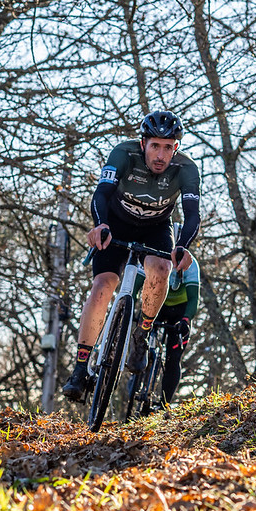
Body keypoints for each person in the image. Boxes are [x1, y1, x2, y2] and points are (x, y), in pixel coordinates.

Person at [62, 111, 201, 402]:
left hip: (156, 227)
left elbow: (192, 215)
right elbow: (101, 193)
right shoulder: (123, 153)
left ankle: (142, 333)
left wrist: (183, 246)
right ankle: (80, 367)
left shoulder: (187, 168)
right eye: (155, 146)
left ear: (176, 148)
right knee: (102, 287)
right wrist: (100, 224)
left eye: (168, 147)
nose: (160, 155)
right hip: (116, 222)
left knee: (161, 269)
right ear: (143, 144)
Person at [131, 223, 200, 407]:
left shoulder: (191, 265)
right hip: (157, 305)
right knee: (141, 329)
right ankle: (140, 358)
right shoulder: (153, 257)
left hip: (180, 310)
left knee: (173, 358)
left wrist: (186, 320)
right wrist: (130, 308)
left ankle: (164, 404)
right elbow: (135, 288)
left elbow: (194, 299)